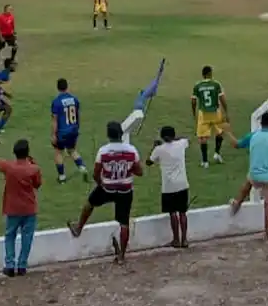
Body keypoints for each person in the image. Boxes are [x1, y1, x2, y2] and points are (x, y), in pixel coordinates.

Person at [67, 121, 142, 264]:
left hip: (107, 187)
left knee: (89, 203)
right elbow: (139, 172)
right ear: (121, 133)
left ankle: (78, 228)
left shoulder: (103, 151)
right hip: (125, 190)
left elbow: (96, 173)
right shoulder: (132, 150)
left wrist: (101, 182)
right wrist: (127, 169)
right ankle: (122, 257)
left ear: (108, 135)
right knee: (124, 222)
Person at [225, 112, 268, 242]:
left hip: (255, 175)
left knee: (248, 182)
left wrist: (227, 132)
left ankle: (237, 203)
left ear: (261, 123)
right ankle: (267, 235)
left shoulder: (253, 136)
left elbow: (236, 144)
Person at [0, 137, 42, 277]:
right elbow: (37, 184)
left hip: (12, 208)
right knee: (27, 237)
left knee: (10, 236)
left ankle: (10, 265)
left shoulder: (9, 167)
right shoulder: (34, 168)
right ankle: (22, 265)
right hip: (29, 208)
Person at [147, 125, 190, 248]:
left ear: (162, 137)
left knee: (172, 213)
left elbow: (149, 162)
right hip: (182, 184)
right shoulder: (181, 144)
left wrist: (154, 147)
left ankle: (176, 239)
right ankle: (185, 240)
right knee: (183, 212)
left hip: (168, 187)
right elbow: (186, 139)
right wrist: (175, 139)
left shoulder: (159, 149)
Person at [191, 65, 229, 168]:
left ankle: (205, 162)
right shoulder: (216, 84)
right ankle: (217, 153)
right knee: (220, 132)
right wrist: (226, 112)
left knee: (203, 137)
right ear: (209, 74)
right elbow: (222, 99)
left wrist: (194, 112)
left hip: (203, 113)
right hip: (215, 112)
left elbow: (194, 101)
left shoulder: (197, 86)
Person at [50, 78, 86, 182]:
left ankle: (62, 177)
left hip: (62, 132)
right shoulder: (74, 99)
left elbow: (55, 120)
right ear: (67, 86)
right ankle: (82, 168)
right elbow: (77, 114)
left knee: (58, 152)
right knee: (72, 150)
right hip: (73, 129)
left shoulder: (56, 102)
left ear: (57, 88)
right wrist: (77, 127)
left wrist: (53, 134)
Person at [0, 4, 18, 69]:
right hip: (3, 35)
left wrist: (14, 34)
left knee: (15, 46)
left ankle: (12, 59)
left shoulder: (11, 17)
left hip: (10, 35)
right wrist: (0, 37)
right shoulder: (0, 17)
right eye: (9, 9)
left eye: (11, 9)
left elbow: (12, 26)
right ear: (5, 9)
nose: (10, 10)